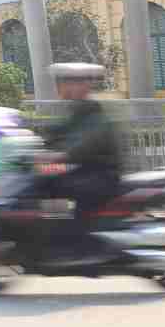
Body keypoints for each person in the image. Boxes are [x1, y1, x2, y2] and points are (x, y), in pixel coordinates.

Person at [40, 62, 124, 242]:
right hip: (81, 169)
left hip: (100, 175)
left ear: (82, 86)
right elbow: (56, 133)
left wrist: (60, 156)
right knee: (40, 178)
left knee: (54, 183)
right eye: (61, 83)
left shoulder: (94, 111)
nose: (61, 88)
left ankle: (78, 242)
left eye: (66, 83)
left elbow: (86, 143)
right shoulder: (77, 109)